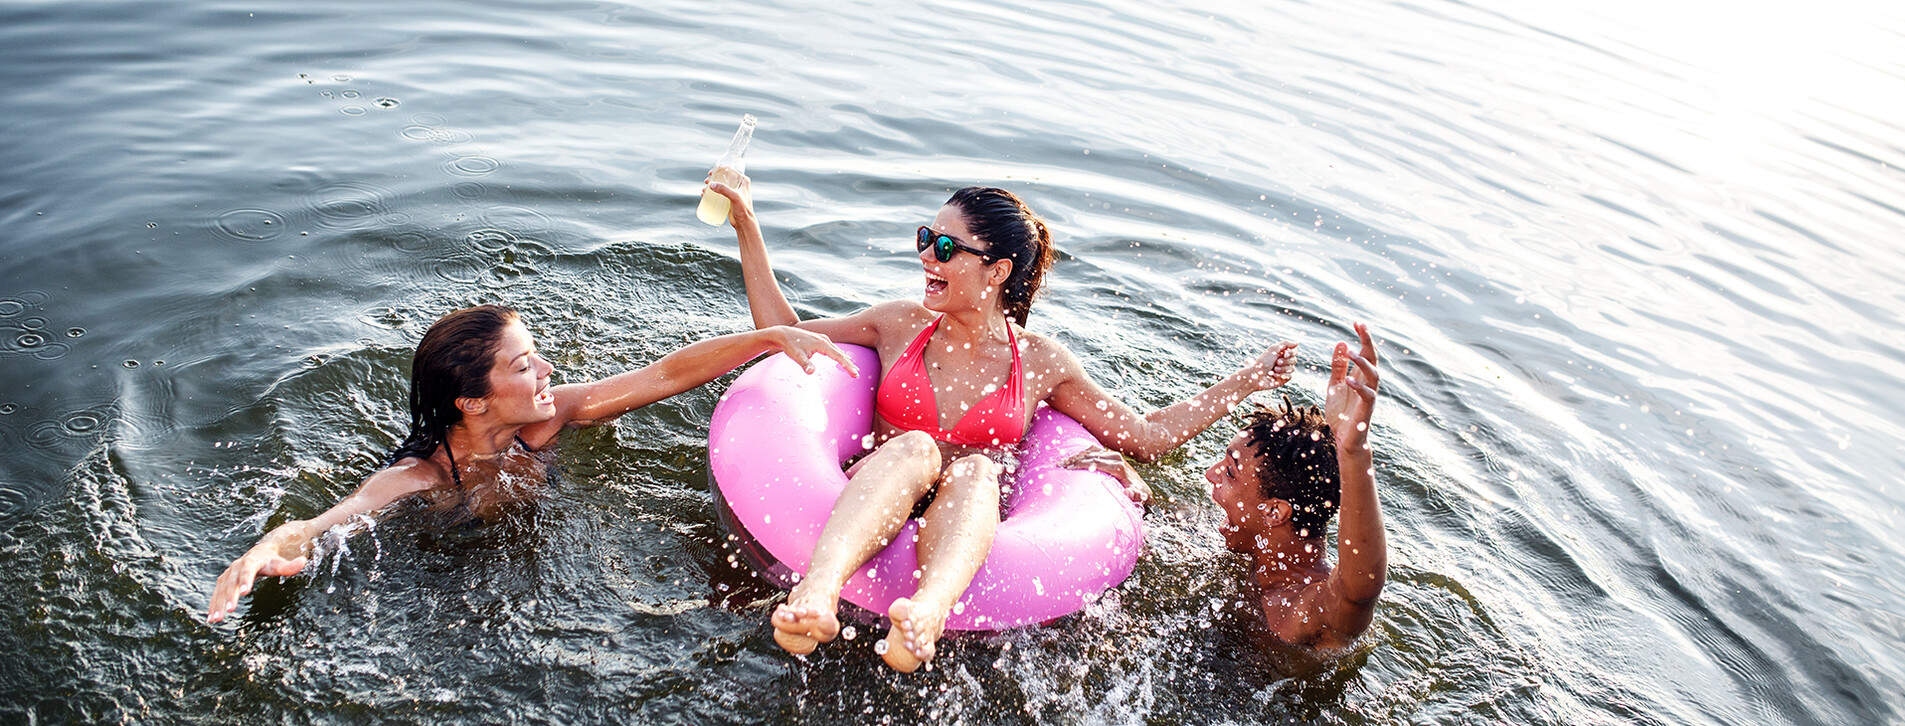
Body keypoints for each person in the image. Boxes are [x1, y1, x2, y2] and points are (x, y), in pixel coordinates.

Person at [702, 177, 1299, 672]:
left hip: (967, 515)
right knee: (915, 448)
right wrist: (747, 227)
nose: (925, 256)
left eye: (944, 246)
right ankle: (818, 591)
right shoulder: (899, 324)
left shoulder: (1041, 364)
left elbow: (1143, 437)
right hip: (875, 491)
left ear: (995, 271)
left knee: (977, 469)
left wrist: (1246, 381)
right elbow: (786, 337)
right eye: (925, 237)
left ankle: (926, 616)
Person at [206, 304, 857, 623]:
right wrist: (263, 550)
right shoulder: (419, 477)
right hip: (438, 571)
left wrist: (767, 338)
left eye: (536, 355)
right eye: (523, 365)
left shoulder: (543, 422)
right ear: (471, 401)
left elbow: (663, 374)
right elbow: (328, 520)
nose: (547, 370)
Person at [1087, 323, 1385, 651]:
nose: (1210, 474)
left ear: (1274, 511)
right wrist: (1141, 493)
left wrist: (1353, 452)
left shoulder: (1305, 608)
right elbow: (1177, 526)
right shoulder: (1254, 549)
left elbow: (1358, 593)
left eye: (1230, 471)